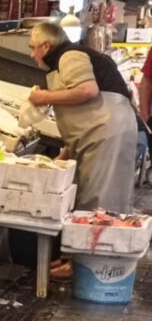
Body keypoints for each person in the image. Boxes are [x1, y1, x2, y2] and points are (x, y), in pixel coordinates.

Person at [28, 19, 139, 237]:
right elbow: (81, 117)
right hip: (98, 135)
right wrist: (65, 154)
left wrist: (45, 97)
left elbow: (88, 90)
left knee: (100, 201)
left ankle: (90, 259)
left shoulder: (70, 56)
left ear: (46, 46)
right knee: (86, 195)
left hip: (107, 133)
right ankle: (76, 256)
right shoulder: (61, 62)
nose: (32, 55)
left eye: (33, 48)